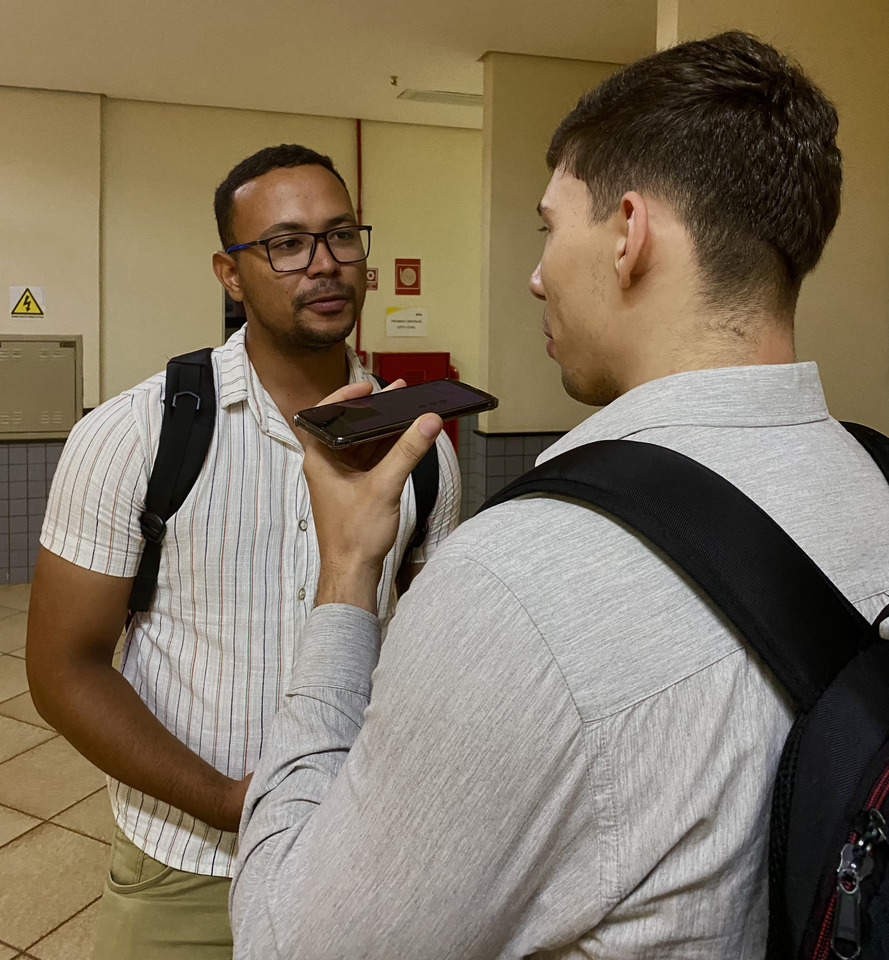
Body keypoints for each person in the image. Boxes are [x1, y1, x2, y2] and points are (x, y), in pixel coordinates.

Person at [229, 32, 889, 959]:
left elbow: (282, 945)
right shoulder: (875, 480)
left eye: (550, 225)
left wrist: (347, 574)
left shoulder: (514, 584)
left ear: (627, 233)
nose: (537, 274)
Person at [25, 143, 460, 960]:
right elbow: (63, 669)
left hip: (358, 857)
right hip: (190, 872)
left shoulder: (423, 449)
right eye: (286, 244)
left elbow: (418, 643)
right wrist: (232, 801)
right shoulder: (134, 435)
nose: (323, 265)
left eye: (341, 237)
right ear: (231, 274)